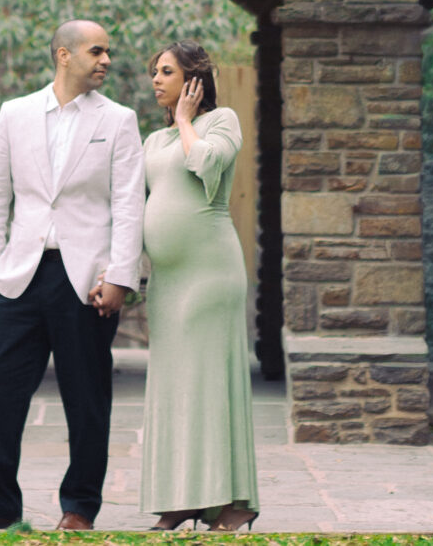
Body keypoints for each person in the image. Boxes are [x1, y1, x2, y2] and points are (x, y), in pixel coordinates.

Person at [0, 19, 146, 532]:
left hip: (86, 280)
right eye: (96, 52)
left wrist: (121, 275)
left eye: (107, 53)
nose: (105, 61)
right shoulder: (14, 114)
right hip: (19, 276)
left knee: (87, 396)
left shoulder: (119, 120)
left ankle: (79, 507)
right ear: (63, 54)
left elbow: (128, 203)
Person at [139, 42, 259, 532]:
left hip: (210, 274)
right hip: (167, 281)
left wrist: (187, 120)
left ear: (194, 80)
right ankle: (181, 498)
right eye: (154, 72)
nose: (155, 79)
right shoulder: (152, 140)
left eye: (166, 71)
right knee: (174, 389)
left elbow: (206, 165)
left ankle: (234, 502)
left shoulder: (220, 121)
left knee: (211, 384)